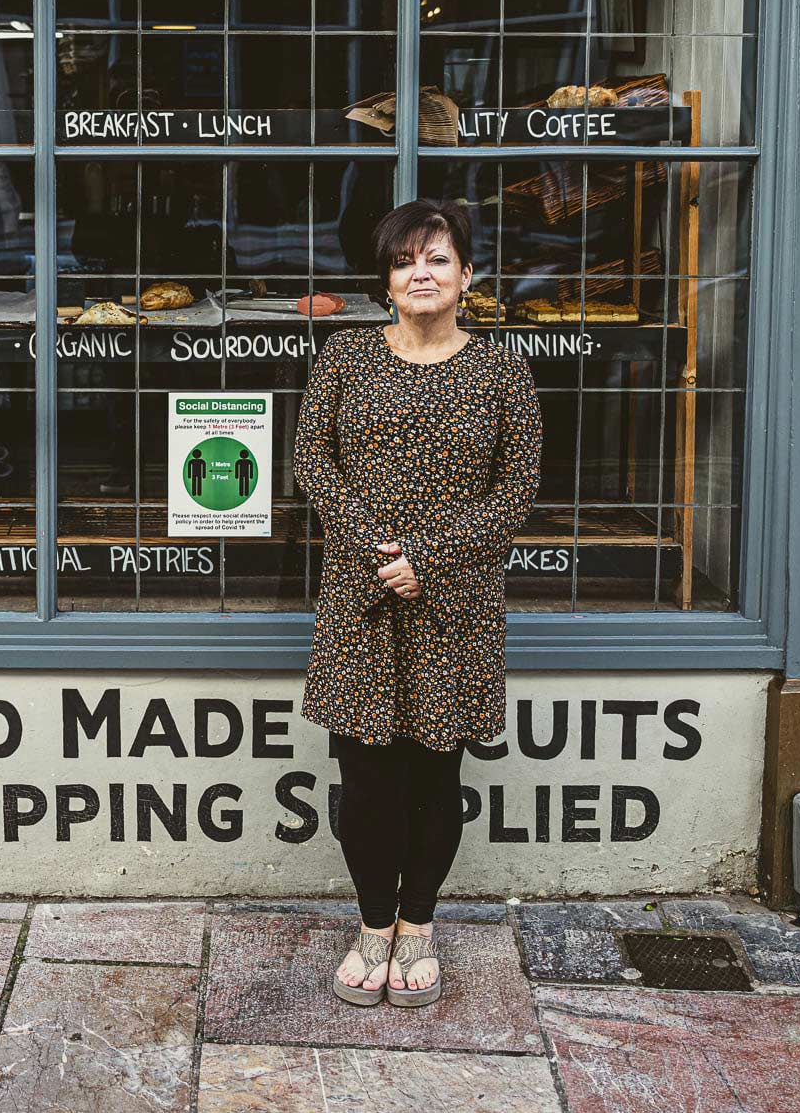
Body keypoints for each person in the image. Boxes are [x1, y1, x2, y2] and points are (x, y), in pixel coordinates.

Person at [292, 199, 541, 1007]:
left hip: (453, 606)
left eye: (438, 258)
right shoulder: (345, 355)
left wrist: (428, 560)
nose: (421, 273)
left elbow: (517, 490)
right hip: (359, 601)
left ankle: (419, 924)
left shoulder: (502, 368)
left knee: (437, 775)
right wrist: (378, 550)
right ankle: (372, 924)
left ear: (469, 274)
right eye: (405, 261)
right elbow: (312, 463)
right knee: (364, 781)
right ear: (386, 281)